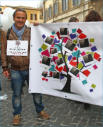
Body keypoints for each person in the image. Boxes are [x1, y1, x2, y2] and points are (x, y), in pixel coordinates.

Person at [1, 8, 49, 126]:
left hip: (31, 68)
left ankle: (40, 110)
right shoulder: (7, 33)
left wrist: (40, 27)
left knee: (36, 91)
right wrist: (5, 67)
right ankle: (16, 114)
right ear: (14, 18)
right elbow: (3, 50)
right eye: (18, 17)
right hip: (15, 69)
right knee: (16, 93)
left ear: (26, 19)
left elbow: (42, 41)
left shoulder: (31, 31)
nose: (20, 20)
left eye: (23, 18)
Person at [83, 10, 102, 110]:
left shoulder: (85, 29)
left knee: (89, 78)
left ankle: (88, 99)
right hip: (95, 58)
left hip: (89, 58)